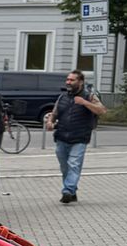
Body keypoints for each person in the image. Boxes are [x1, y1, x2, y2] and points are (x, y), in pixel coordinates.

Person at [45, 70, 106, 203]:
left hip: (80, 137)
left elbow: (101, 110)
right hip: (61, 137)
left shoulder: (89, 96)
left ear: (81, 82)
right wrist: (50, 122)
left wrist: (85, 103)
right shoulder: (62, 97)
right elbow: (54, 113)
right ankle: (72, 191)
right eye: (68, 79)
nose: (68, 82)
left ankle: (67, 191)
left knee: (74, 164)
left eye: (72, 80)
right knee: (64, 166)